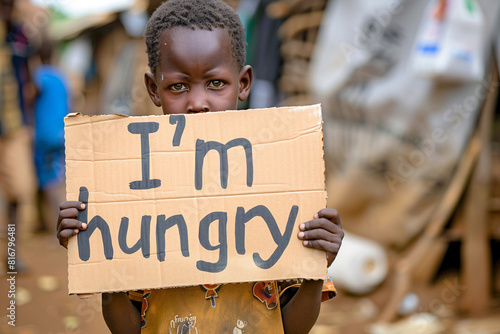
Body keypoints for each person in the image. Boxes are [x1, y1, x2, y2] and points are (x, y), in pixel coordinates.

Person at [56, 0, 344, 333]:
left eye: (216, 83)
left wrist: (314, 269)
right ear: (153, 89)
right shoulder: (135, 197)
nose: (197, 104)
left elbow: (294, 329)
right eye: (177, 86)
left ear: (244, 83)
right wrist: (101, 262)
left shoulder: (279, 184)